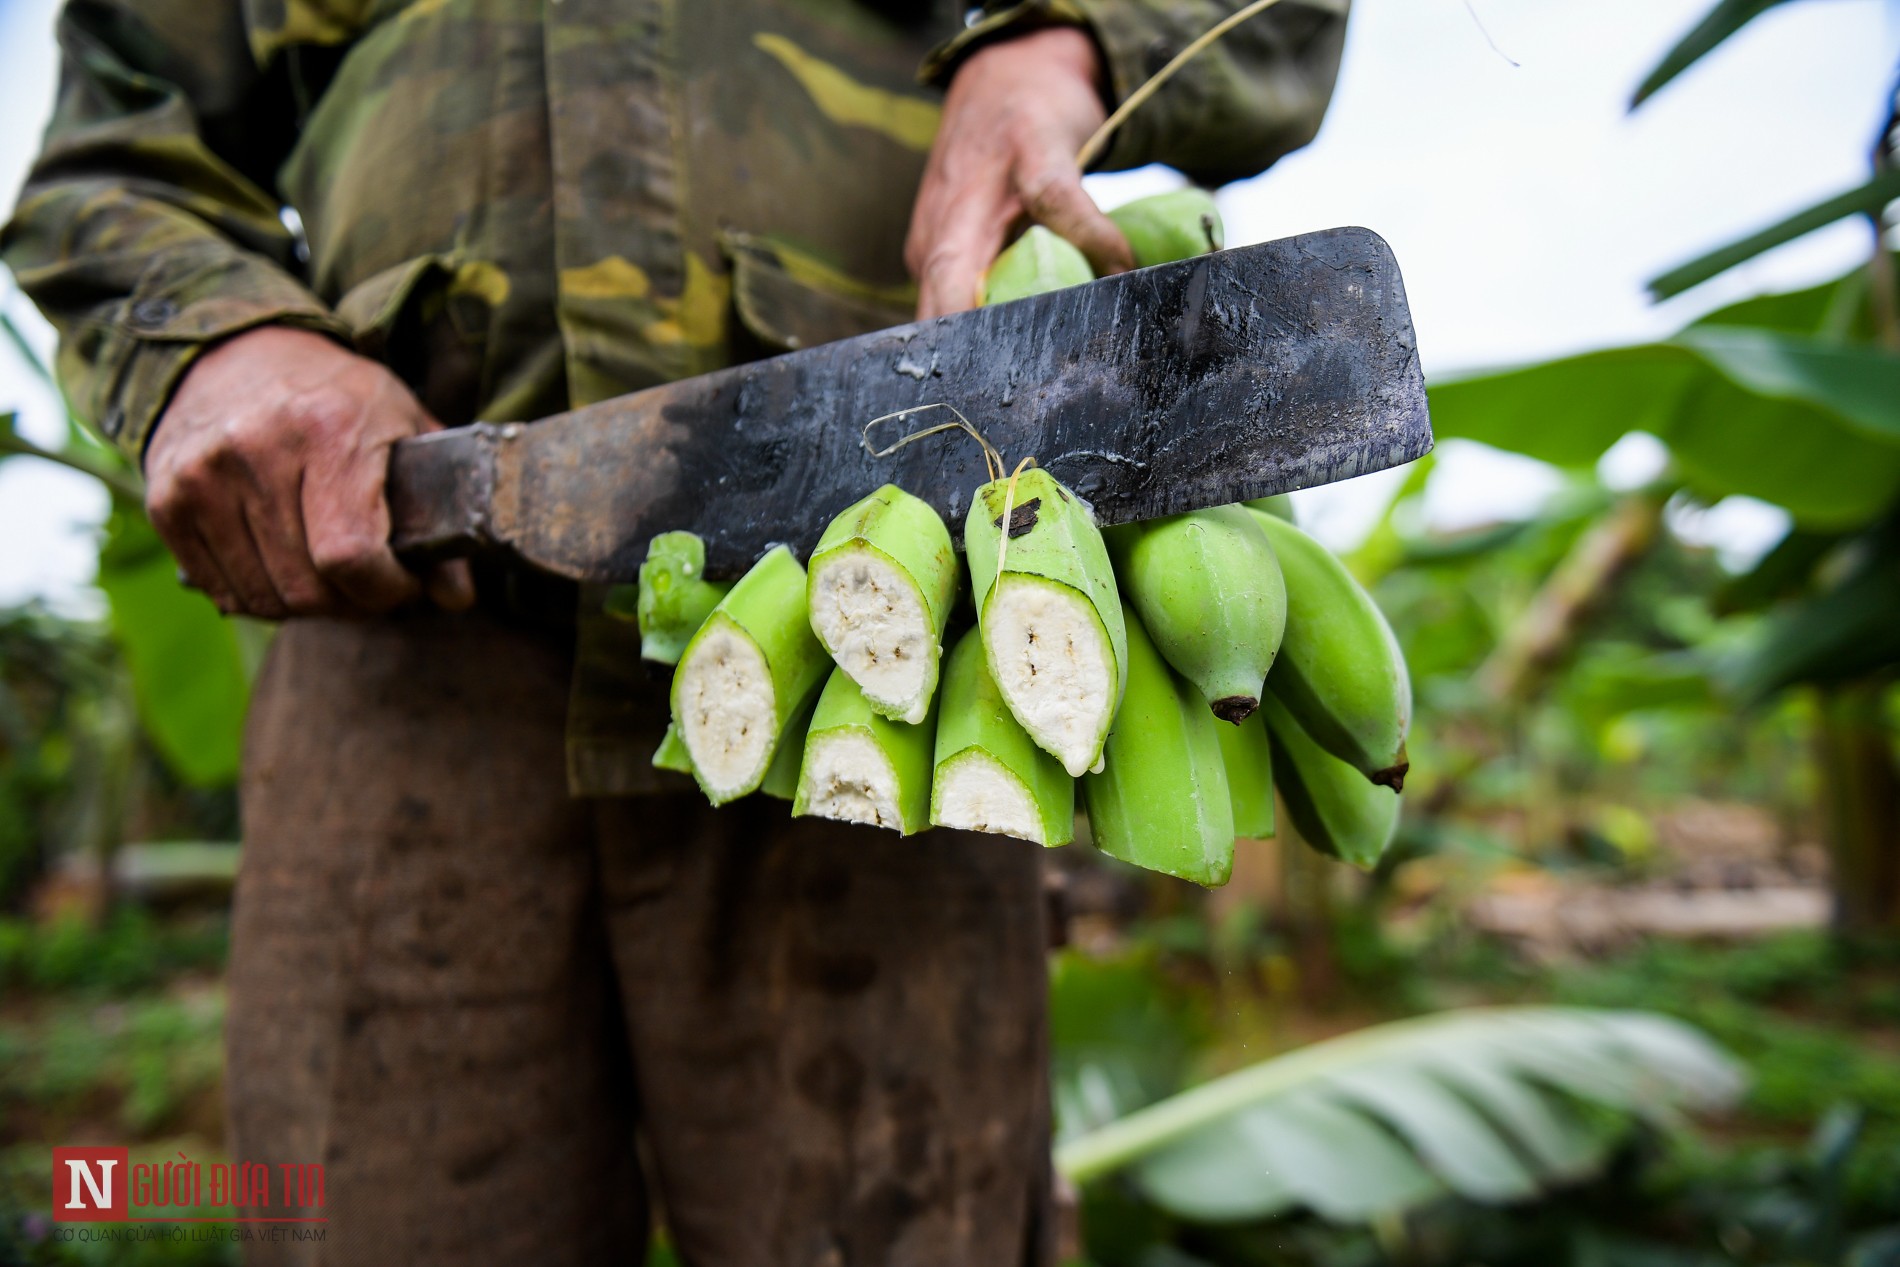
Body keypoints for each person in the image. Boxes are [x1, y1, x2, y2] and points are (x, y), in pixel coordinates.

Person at [3, 1, 1346, 1262]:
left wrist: (1068, 41)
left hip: (891, 666)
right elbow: (114, 151)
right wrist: (215, 336)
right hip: (401, 633)